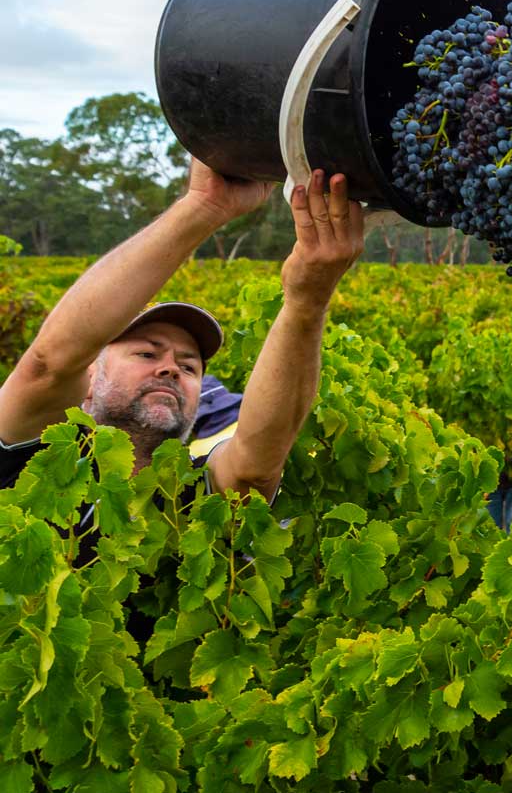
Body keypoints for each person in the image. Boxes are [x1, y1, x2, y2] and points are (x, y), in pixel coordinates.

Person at [0, 159, 366, 563]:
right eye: (146, 353)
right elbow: (48, 365)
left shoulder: (192, 500)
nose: (171, 367)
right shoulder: (34, 462)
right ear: (89, 374)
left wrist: (307, 300)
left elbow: (254, 467)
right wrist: (204, 206)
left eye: (190, 366)